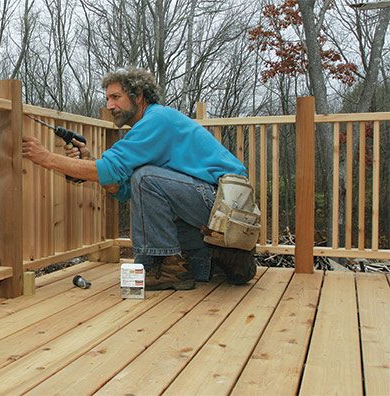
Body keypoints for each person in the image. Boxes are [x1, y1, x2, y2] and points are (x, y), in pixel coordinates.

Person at [21, 67, 257, 290]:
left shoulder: (157, 120)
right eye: (107, 99)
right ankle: (222, 259)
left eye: (116, 97)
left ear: (139, 96)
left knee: (145, 178)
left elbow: (115, 172)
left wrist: (46, 158)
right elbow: (123, 189)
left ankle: (164, 267)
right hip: (216, 208)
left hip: (227, 206)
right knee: (143, 186)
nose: (110, 105)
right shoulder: (150, 125)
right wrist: (89, 161)